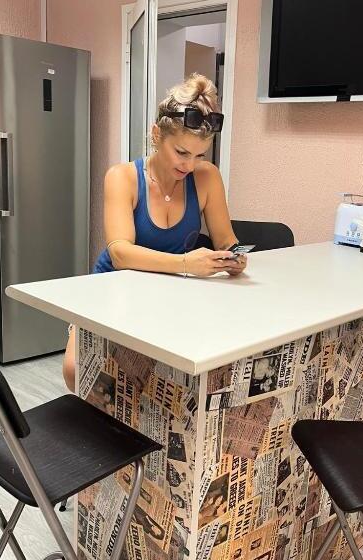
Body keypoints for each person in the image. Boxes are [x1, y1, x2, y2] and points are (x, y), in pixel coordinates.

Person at [62, 74, 247, 391]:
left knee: (158, 382)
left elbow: (227, 241)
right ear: (156, 135)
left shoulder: (207, 178)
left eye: (199, 155)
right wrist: (187, 264)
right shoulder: (122, 177)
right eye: (181, 152)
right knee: (76, 371)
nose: (189, 165)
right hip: (114, 287)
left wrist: (234, 259)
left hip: (168, 294)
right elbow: (120, 253)